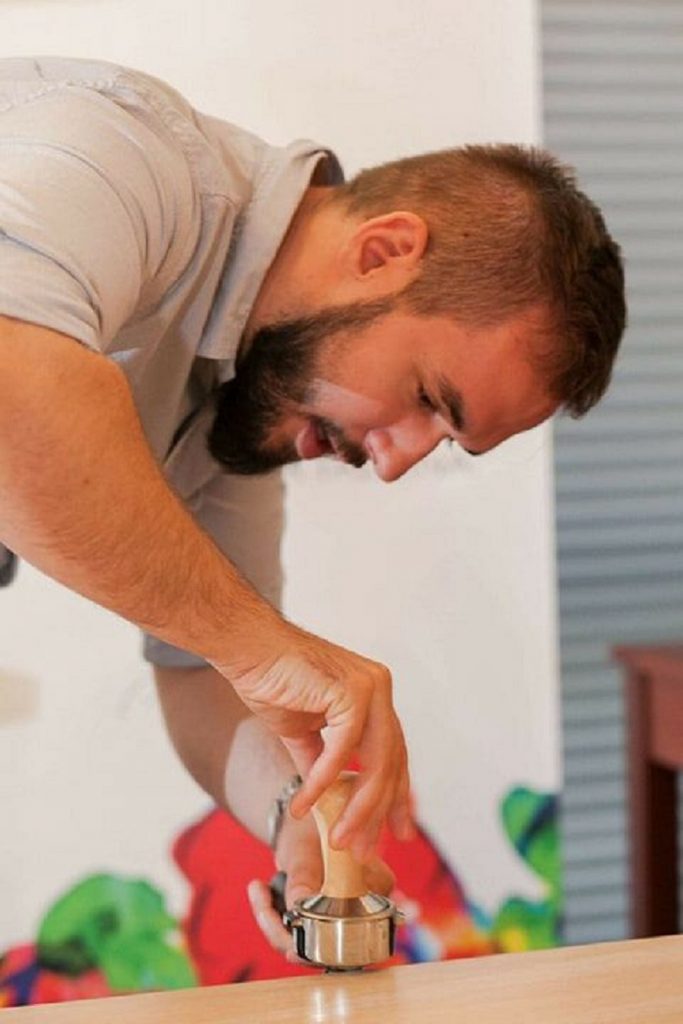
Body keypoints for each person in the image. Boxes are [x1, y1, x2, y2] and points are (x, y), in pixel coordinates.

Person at [0, 57, 625, 960]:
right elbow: (14, 382)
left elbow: (200, 671)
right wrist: (261, 645)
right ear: (381, 252)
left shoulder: (242, 397)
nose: (396, 463)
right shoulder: (120, 150)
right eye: (428, 399)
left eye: (444, 441)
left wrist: (299, 811)